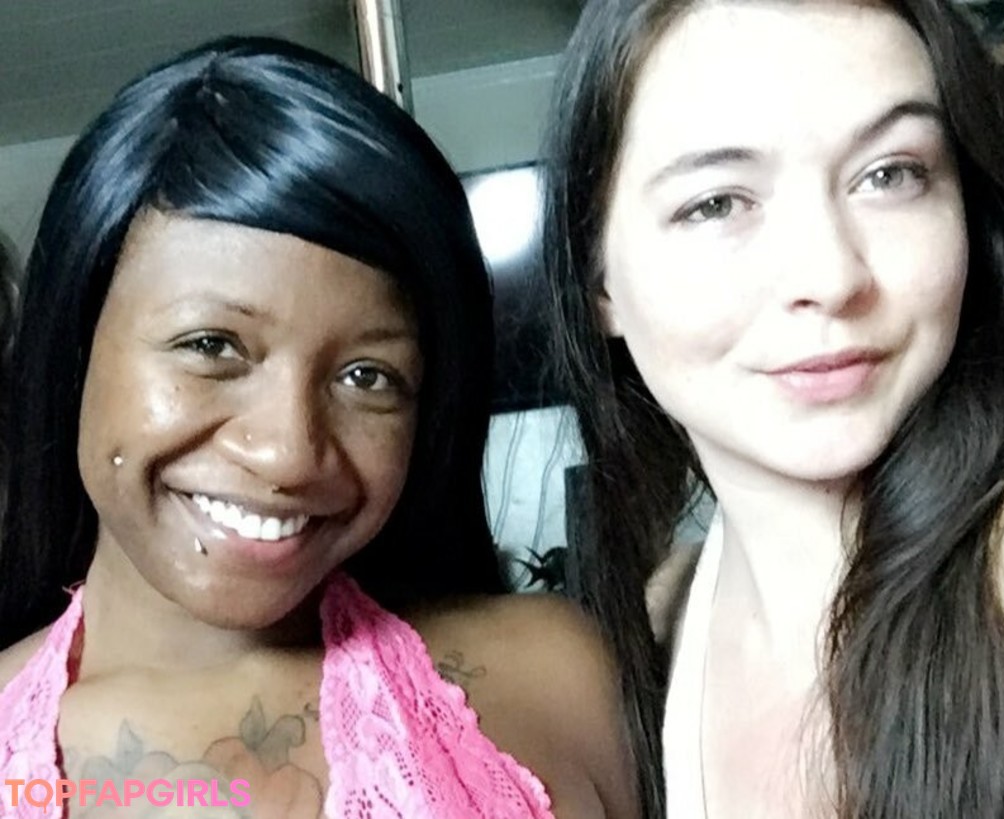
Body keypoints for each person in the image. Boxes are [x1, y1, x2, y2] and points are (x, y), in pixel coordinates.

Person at [0, 37, 638, 819]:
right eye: (212, 346)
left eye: (367, 376)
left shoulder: (557, 679)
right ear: (74, 349)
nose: (289, 453)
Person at [543, 0, 1004, 816]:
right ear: (600, 283)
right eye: (717, 203)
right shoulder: (668, 615)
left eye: (891, 174)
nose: (830, 276)